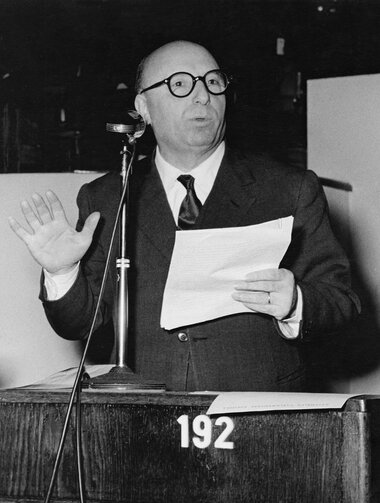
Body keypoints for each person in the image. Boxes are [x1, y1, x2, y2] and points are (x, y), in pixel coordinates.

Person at [9, 40, 360, 391]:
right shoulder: (108, 196)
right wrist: (62, 272)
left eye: (213, 82)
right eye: (180, 84)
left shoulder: (288, 188)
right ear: (143, 107)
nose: (203, 96)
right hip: (142, 419)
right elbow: (78, 325)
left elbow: (341, 302)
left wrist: (295, 302)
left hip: (258, 417)